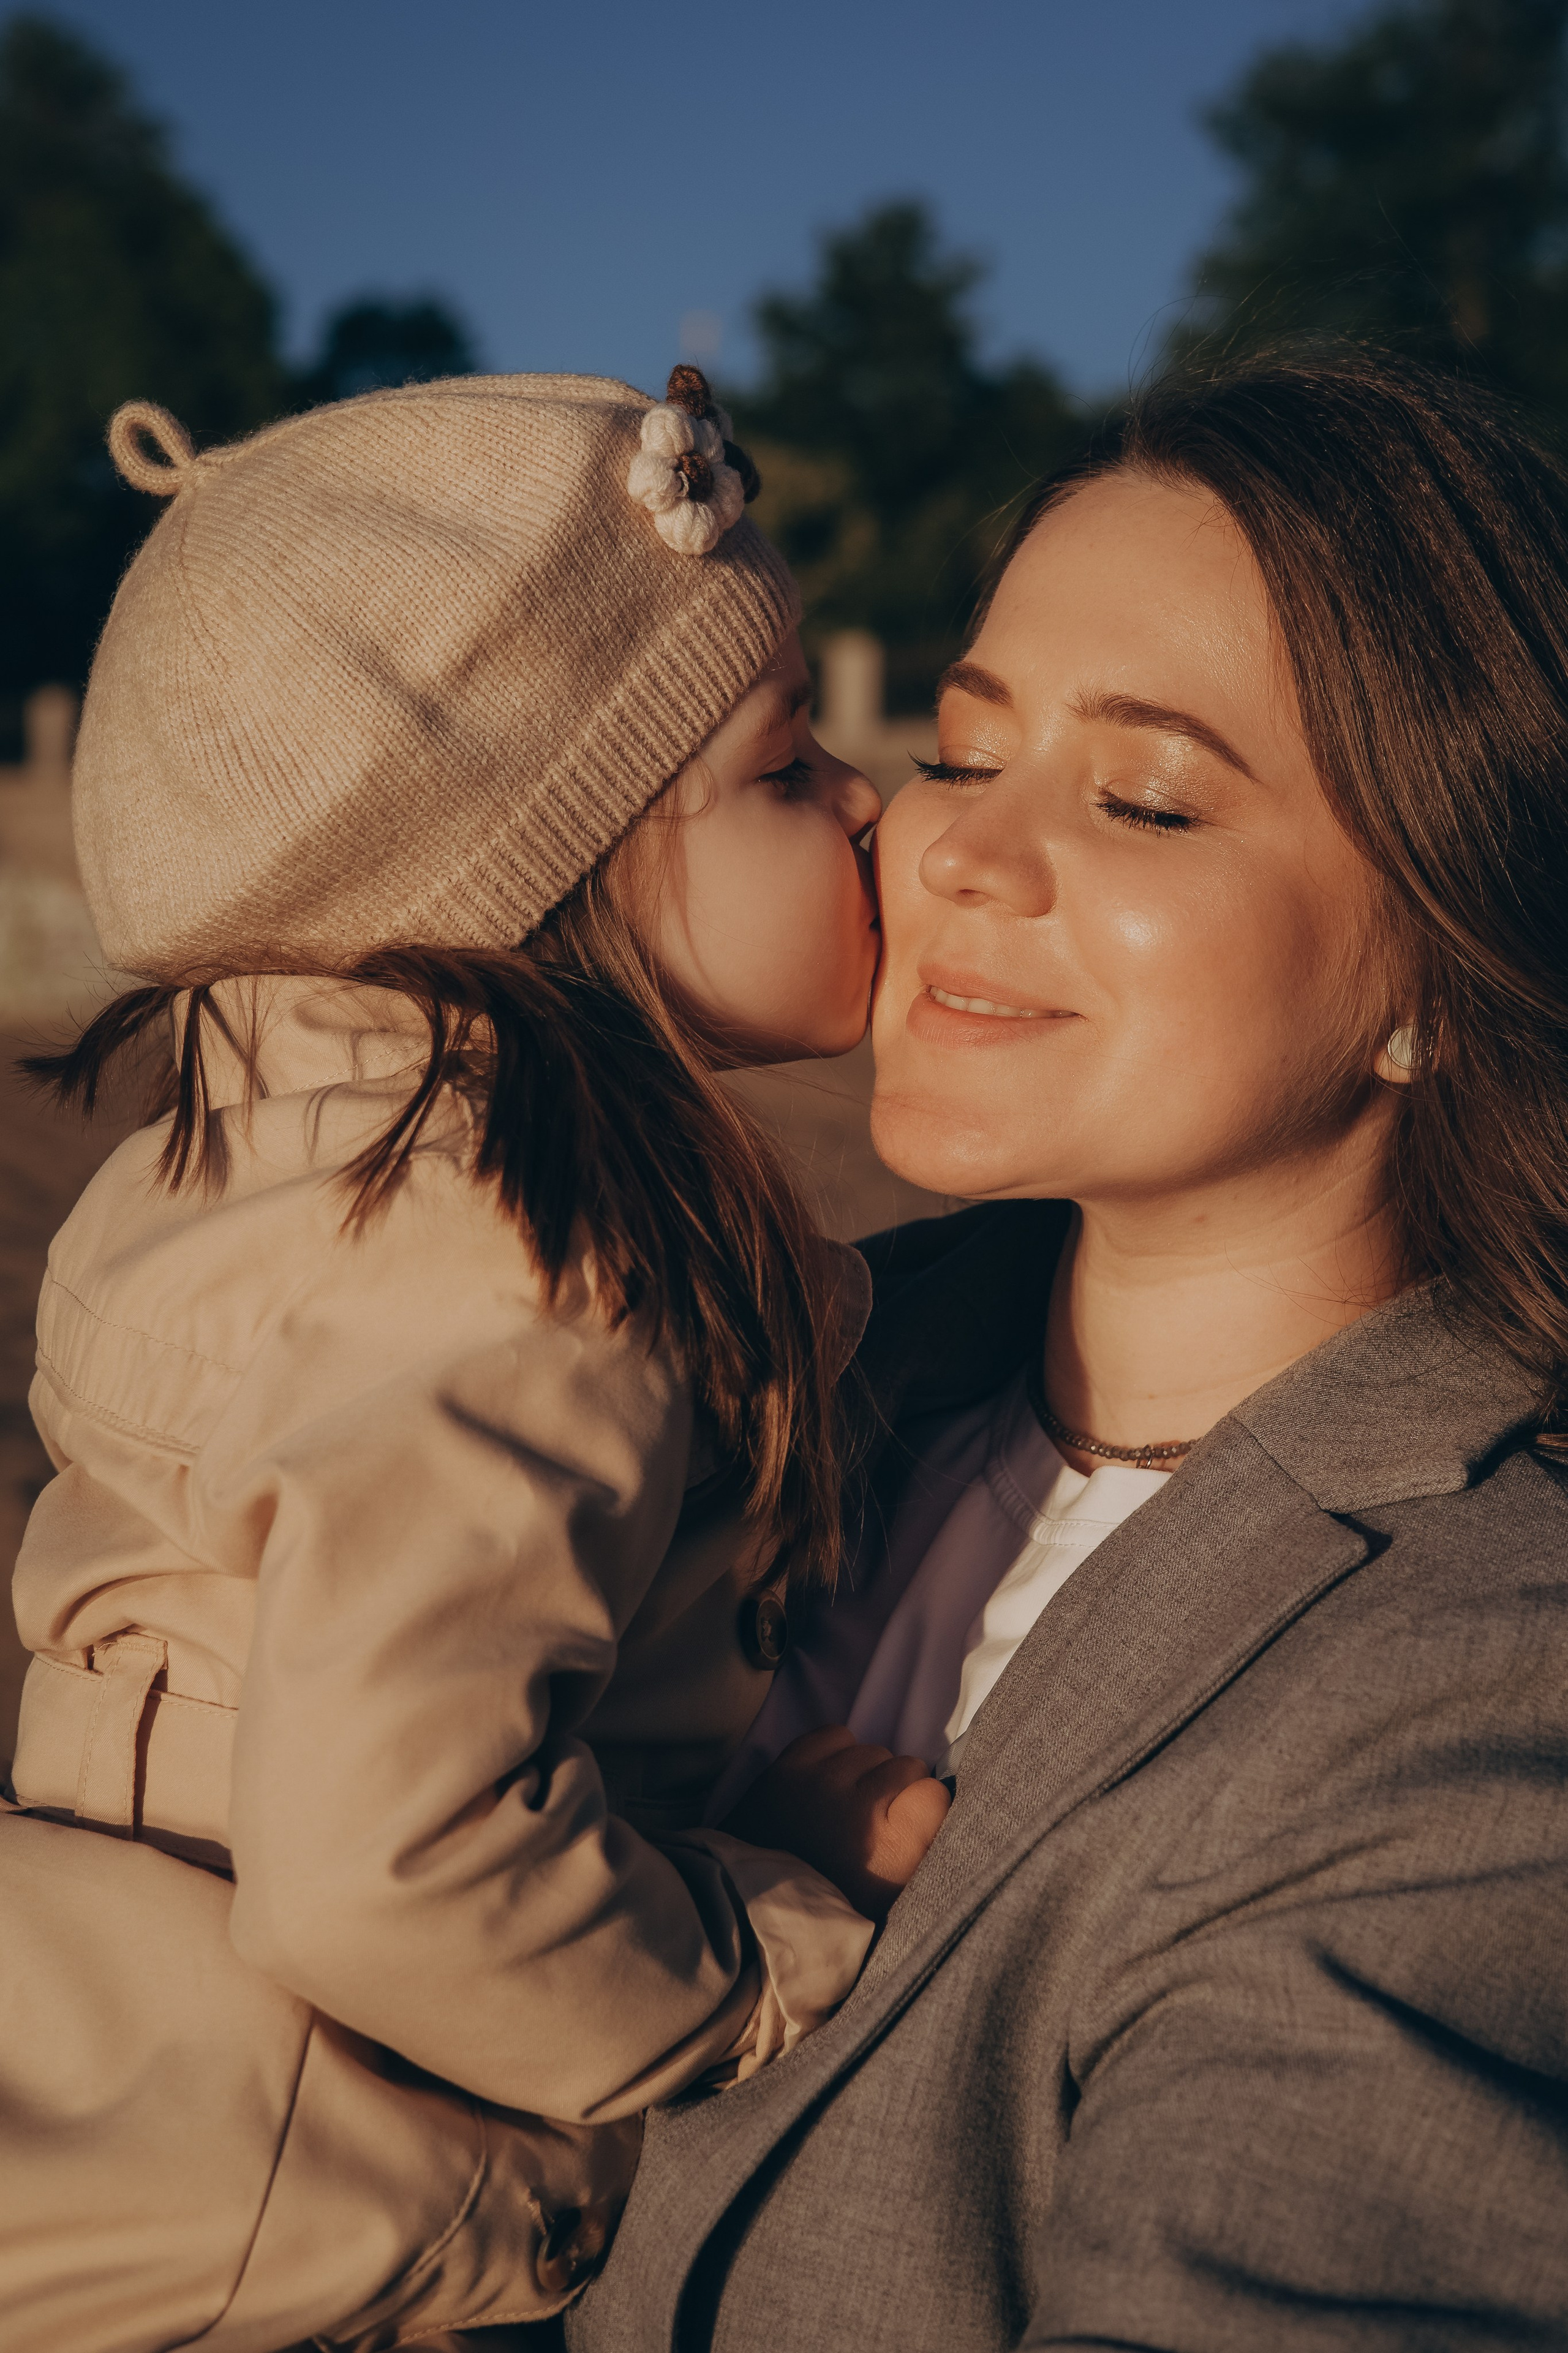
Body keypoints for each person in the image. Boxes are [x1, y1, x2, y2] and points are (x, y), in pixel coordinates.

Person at [569, 356, 1568, 2351]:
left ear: (1435, 983)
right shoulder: (737, 1383)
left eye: (1139, 796)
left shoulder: (1489, 1694)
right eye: (962, 747)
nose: (954, 852)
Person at [0, 368, 946, 2352]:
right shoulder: (523, 1275)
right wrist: (754, 1953)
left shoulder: (285, 1171)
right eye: (786, 771)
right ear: (546, 885)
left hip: (137, 2074)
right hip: (307, 2195)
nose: (871, 797)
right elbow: (388, 1867)